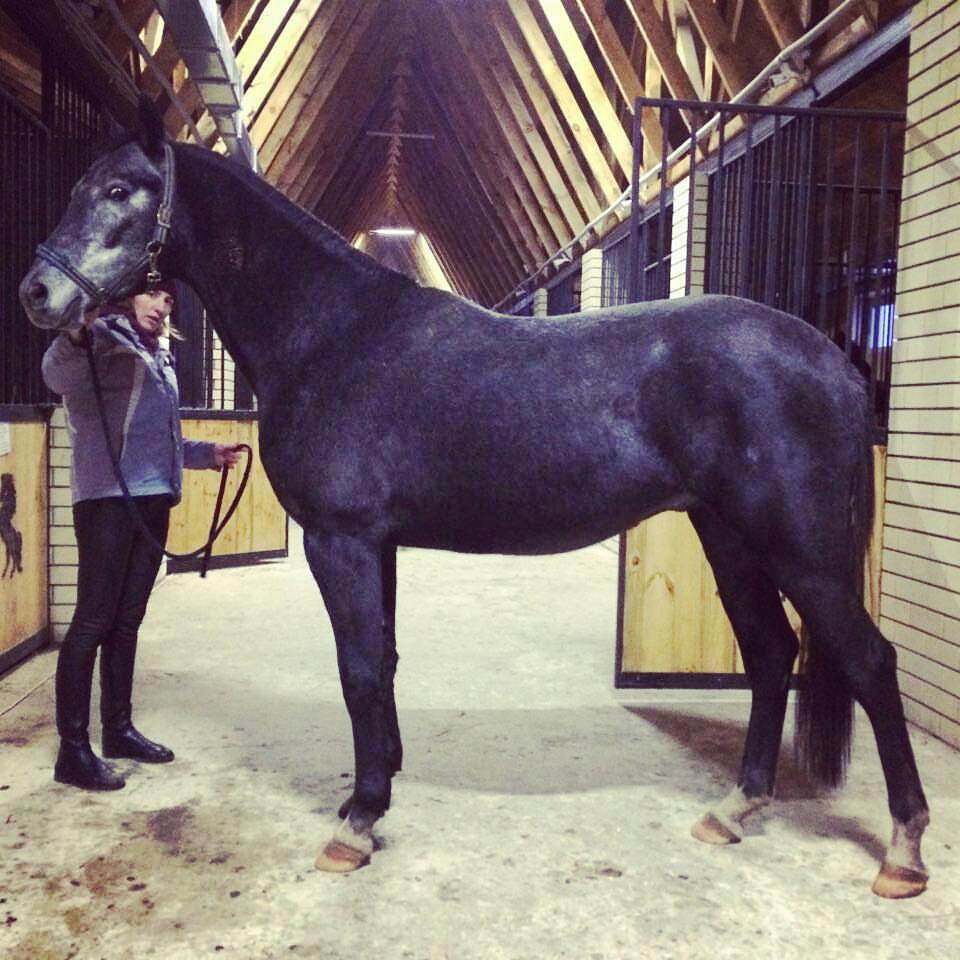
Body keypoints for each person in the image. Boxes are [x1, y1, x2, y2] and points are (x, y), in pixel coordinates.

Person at [41, 280, 242, 791]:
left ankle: (118, 730)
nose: (161, 306)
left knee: (127, 621)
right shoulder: (99, 341)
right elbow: (55, 375)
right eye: (152, 294)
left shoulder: (159, 354)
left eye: (169, 299)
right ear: (128, 296)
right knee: (92, 621)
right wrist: (75, 333)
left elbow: (161, 435)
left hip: (152, 499)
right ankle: (72, 750)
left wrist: (205, 455)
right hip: (109, 498)